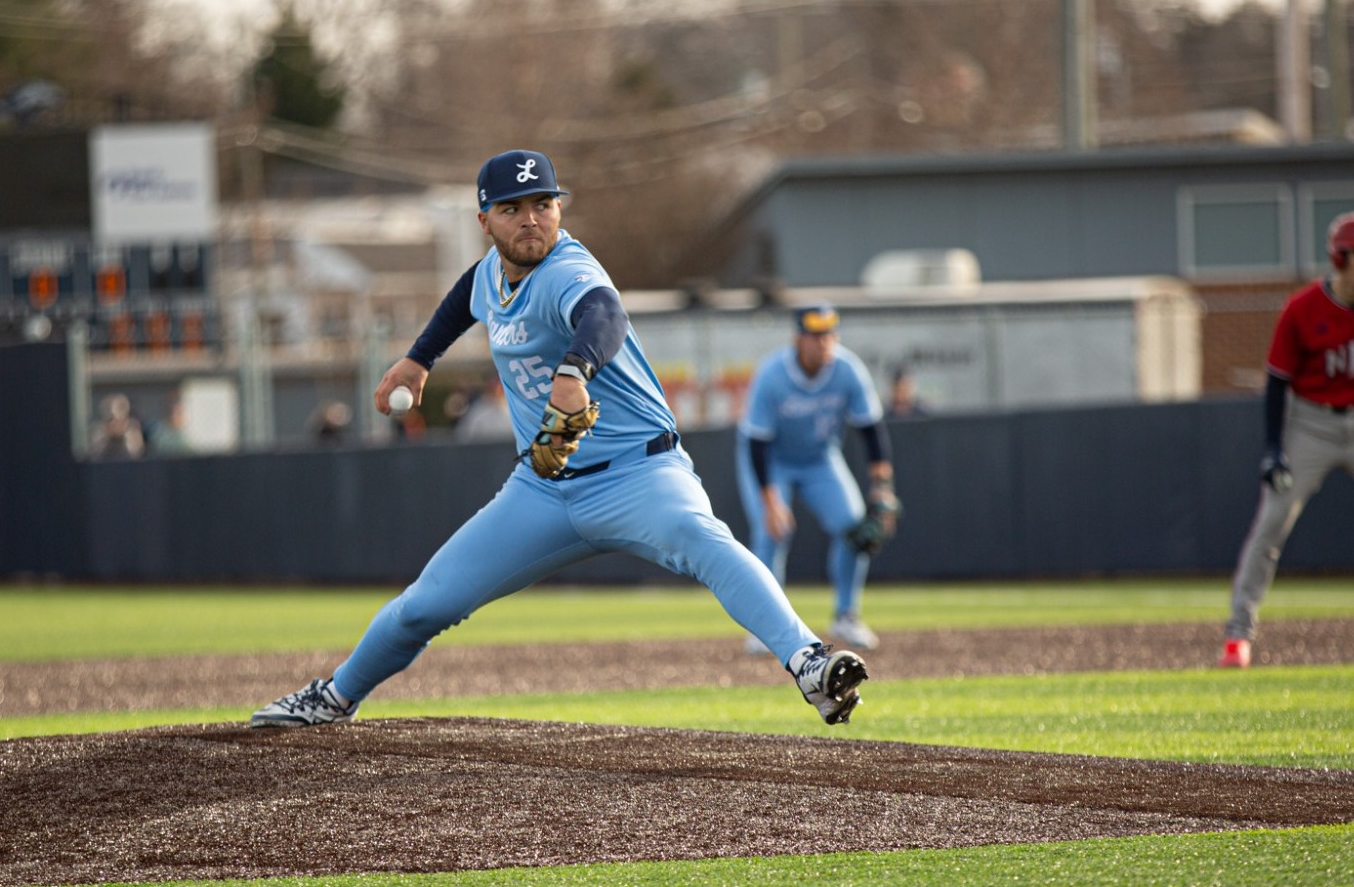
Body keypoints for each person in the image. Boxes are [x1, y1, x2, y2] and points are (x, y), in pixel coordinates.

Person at [252, 149, 867, 728]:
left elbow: (605, 313)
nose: (530, 219)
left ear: (559, 210)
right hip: (543, 490)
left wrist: (574, 372)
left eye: (542, 204)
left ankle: (808, 661)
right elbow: (467, 296)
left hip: (640, 474)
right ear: (484, 221)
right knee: (425, 604)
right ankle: (333, 698)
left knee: (702, 538)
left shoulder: (569, 268)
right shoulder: (491, 274)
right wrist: (420, 359)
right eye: (512, 208)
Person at [1222, 211, 1354, 668]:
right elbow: (1276, 382)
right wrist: (1273, 448)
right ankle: (1237, 635)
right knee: (1271, 525)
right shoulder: (1303, 308)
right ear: (1339, 256)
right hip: (1311, 424)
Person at [735, 304, 897, 653]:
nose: (823, 343)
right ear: (798, 339)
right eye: (815, 336)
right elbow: (757, 443)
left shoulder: (847, 369)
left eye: (829, 335)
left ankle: (846, 615)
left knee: (854, 528)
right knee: (771, 532)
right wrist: (770, 501)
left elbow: (871, 432)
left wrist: (882, 488)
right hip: (772, 461)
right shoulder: (773, 374)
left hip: (820, 459)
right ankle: (766, 626)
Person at [90, 393, 145, 460]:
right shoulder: (100, 433)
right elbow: (94, 456)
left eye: (113, 419)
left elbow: (136, 455)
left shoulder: (132, 431)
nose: (112, 424)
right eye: (108, 420)